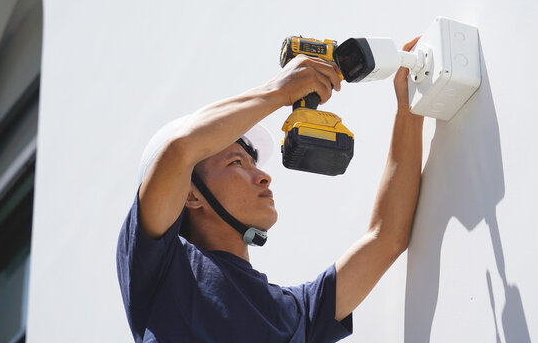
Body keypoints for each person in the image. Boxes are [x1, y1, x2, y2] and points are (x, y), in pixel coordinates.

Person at [117, 37, 423, 342]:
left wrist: (410, 108)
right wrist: (277, 92)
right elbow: (179, 151)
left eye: (254, 163)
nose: (263, 176)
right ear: (190, 194)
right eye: (237, 162)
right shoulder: (163, 268)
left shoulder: (295, 311)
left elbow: (387, 236)